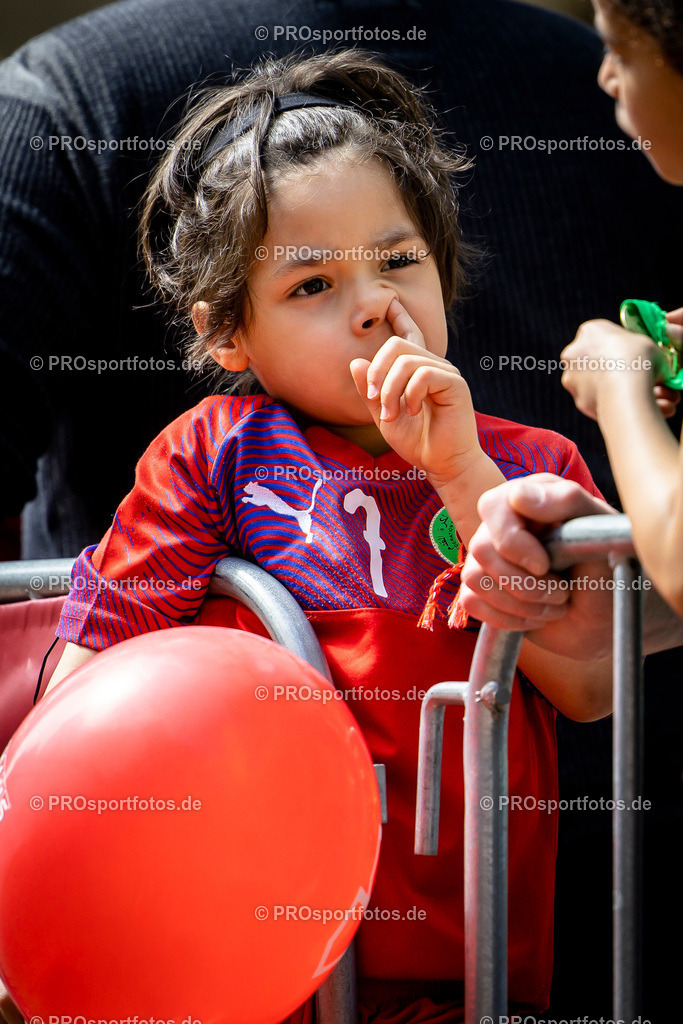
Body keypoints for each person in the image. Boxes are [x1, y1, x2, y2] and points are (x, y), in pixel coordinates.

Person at [35, 49, 615, 1024]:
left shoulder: (533, 465)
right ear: (227, 332)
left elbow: (590, 685)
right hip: (248, 964)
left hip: (469, 972)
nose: (373, 308)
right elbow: (83, 694)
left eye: (398, 262)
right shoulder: (212, 454)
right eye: (310, 286)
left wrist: (457, 471)